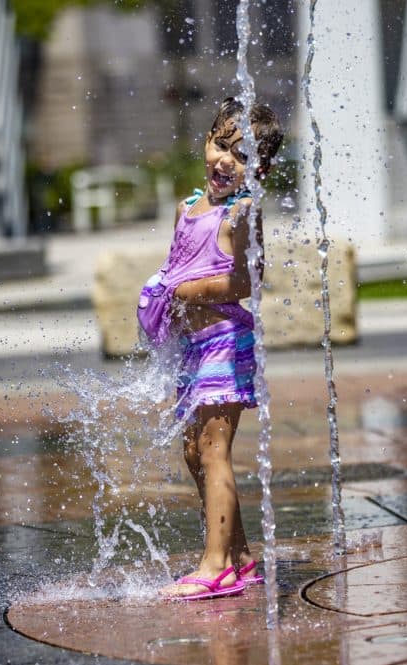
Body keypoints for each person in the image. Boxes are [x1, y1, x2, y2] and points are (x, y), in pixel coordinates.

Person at [137, 97, 283, 600]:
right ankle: (240, 557)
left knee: (214, 450)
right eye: (220, 145)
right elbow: (176, 264)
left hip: (225, 340)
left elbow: (244, 280)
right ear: (205, 142)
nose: (225, 161)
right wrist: (160, 299)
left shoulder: (243, 212)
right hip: (194, 345)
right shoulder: (186, 207)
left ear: (258, 169)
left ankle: (215, 564)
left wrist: (178, 292)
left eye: (240, 156)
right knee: (192, 452)